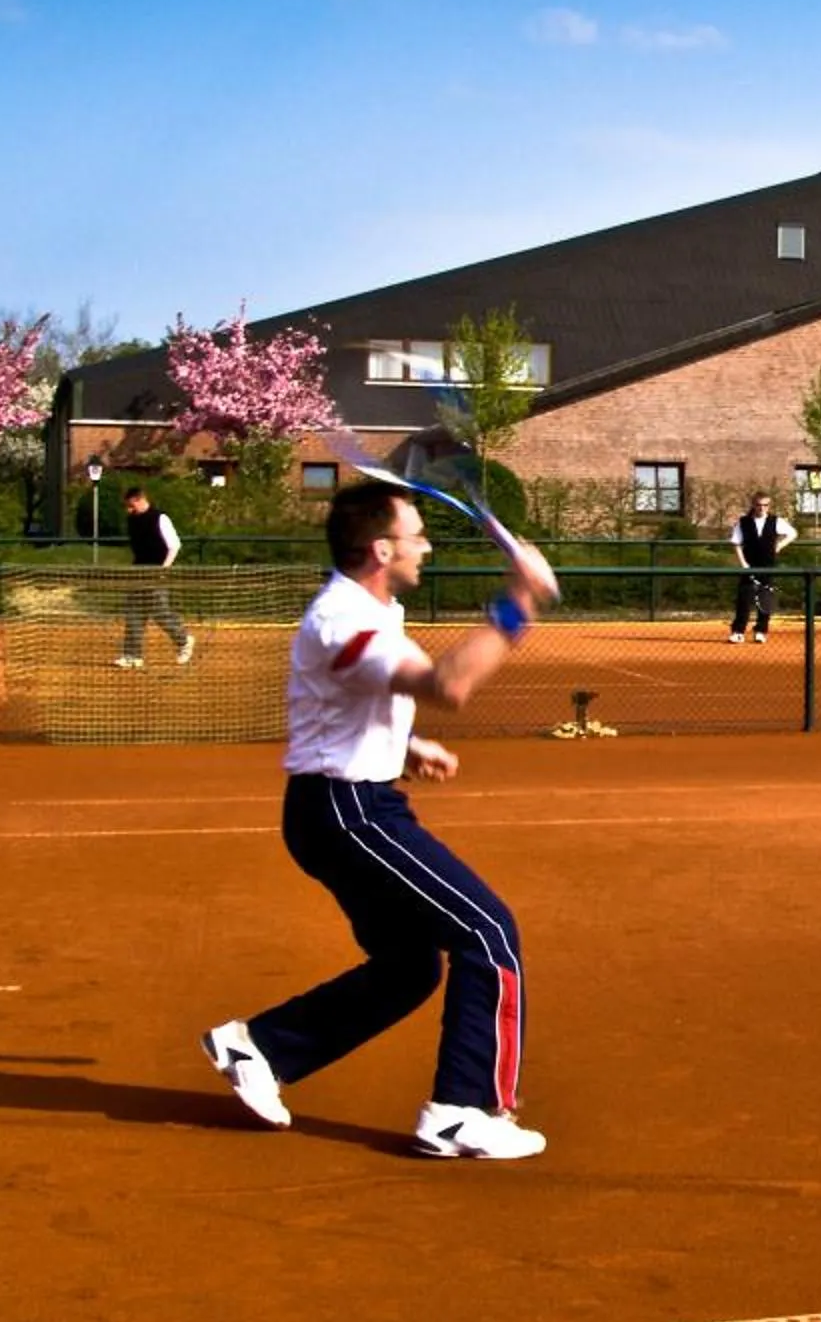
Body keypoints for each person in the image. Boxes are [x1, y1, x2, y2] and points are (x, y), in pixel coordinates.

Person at [198, 479, 562, 1160]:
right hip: (349, 811)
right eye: (415, 534)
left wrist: (406, 744)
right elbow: (448, 683)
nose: (425, 546)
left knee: (409, 967)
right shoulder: (347, 619)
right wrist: (519, 602)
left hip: (341, 804)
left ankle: (261, 1046)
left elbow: (359, 697)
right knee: (489, 933)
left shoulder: (370, 611)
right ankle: (461, 1111)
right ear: (380, 548)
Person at [115, 485, 194, 669]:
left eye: (130, 505)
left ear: (139, 500)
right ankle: (132, 655)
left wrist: (163, 569)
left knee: (160, 612)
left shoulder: (160, 518)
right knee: (134, 613)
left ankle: (184, 640)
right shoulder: (132, 520)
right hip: (138, 572)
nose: (128, 510)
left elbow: (174, 545)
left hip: (157, 572)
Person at [728, 490, 796, 644]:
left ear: (769, 506)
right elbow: (736, 544)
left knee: (765, 599)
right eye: (759, 505)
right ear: (753, 505)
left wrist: (779, 545)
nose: (762, 508)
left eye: (765, 505)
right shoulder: (743, 522)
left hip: (767, 565)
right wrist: (743, 564)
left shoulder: (775, 521)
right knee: (744, 599)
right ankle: (738, 631)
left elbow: (792, 533)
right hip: (749, 565)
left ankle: (761, 631)